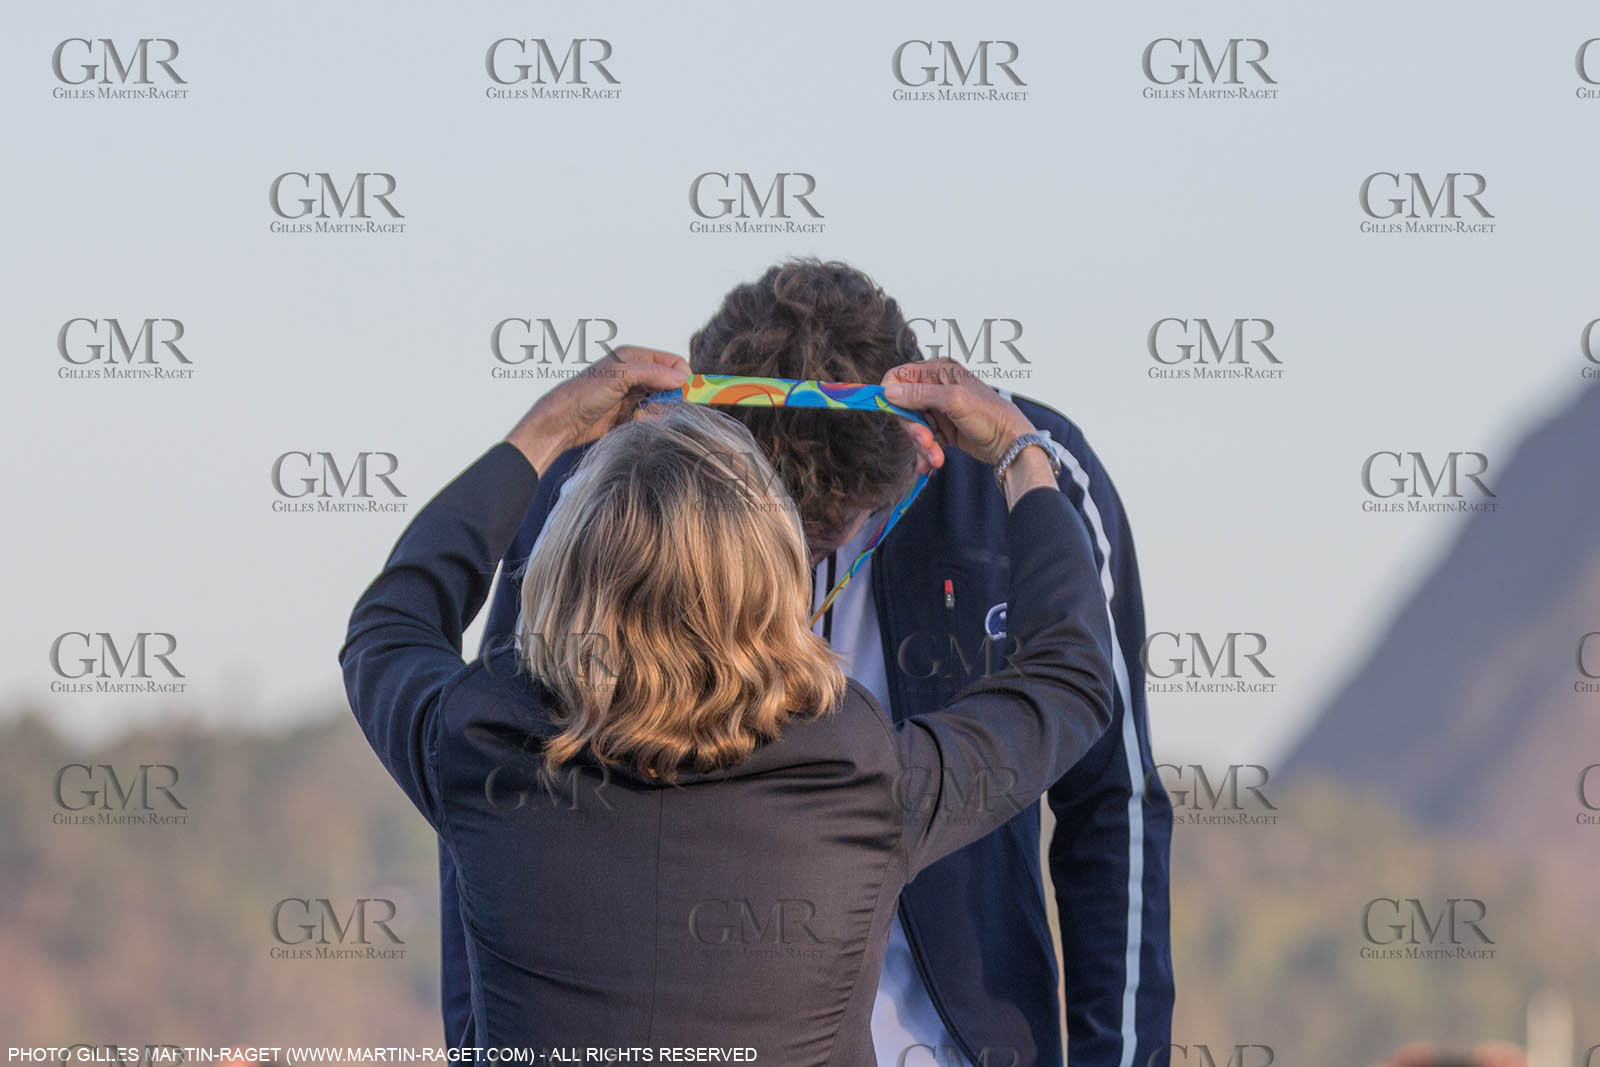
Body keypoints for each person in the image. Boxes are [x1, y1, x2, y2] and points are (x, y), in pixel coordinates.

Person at [453, 261, 1174, 1065]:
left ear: (918, 446)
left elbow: (1115, 802)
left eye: (833, 536)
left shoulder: (1038, 476)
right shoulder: (602, 490)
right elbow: (490, 786)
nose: (796, 568)